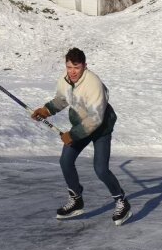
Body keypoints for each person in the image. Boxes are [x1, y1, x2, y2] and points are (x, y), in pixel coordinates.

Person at [31, 47, 131, 225]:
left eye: (76, 67)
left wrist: (73, 135)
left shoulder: (93, 83)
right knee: (65, 161)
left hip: (101, 127)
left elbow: (96, 119)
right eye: (69, 67)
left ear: (85, 66)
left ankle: (121, 201)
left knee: (100, 169)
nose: (72, 72)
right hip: (81, 125)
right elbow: (62, 99)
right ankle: (76, 199)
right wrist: (46, 110)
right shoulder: (65, 80)